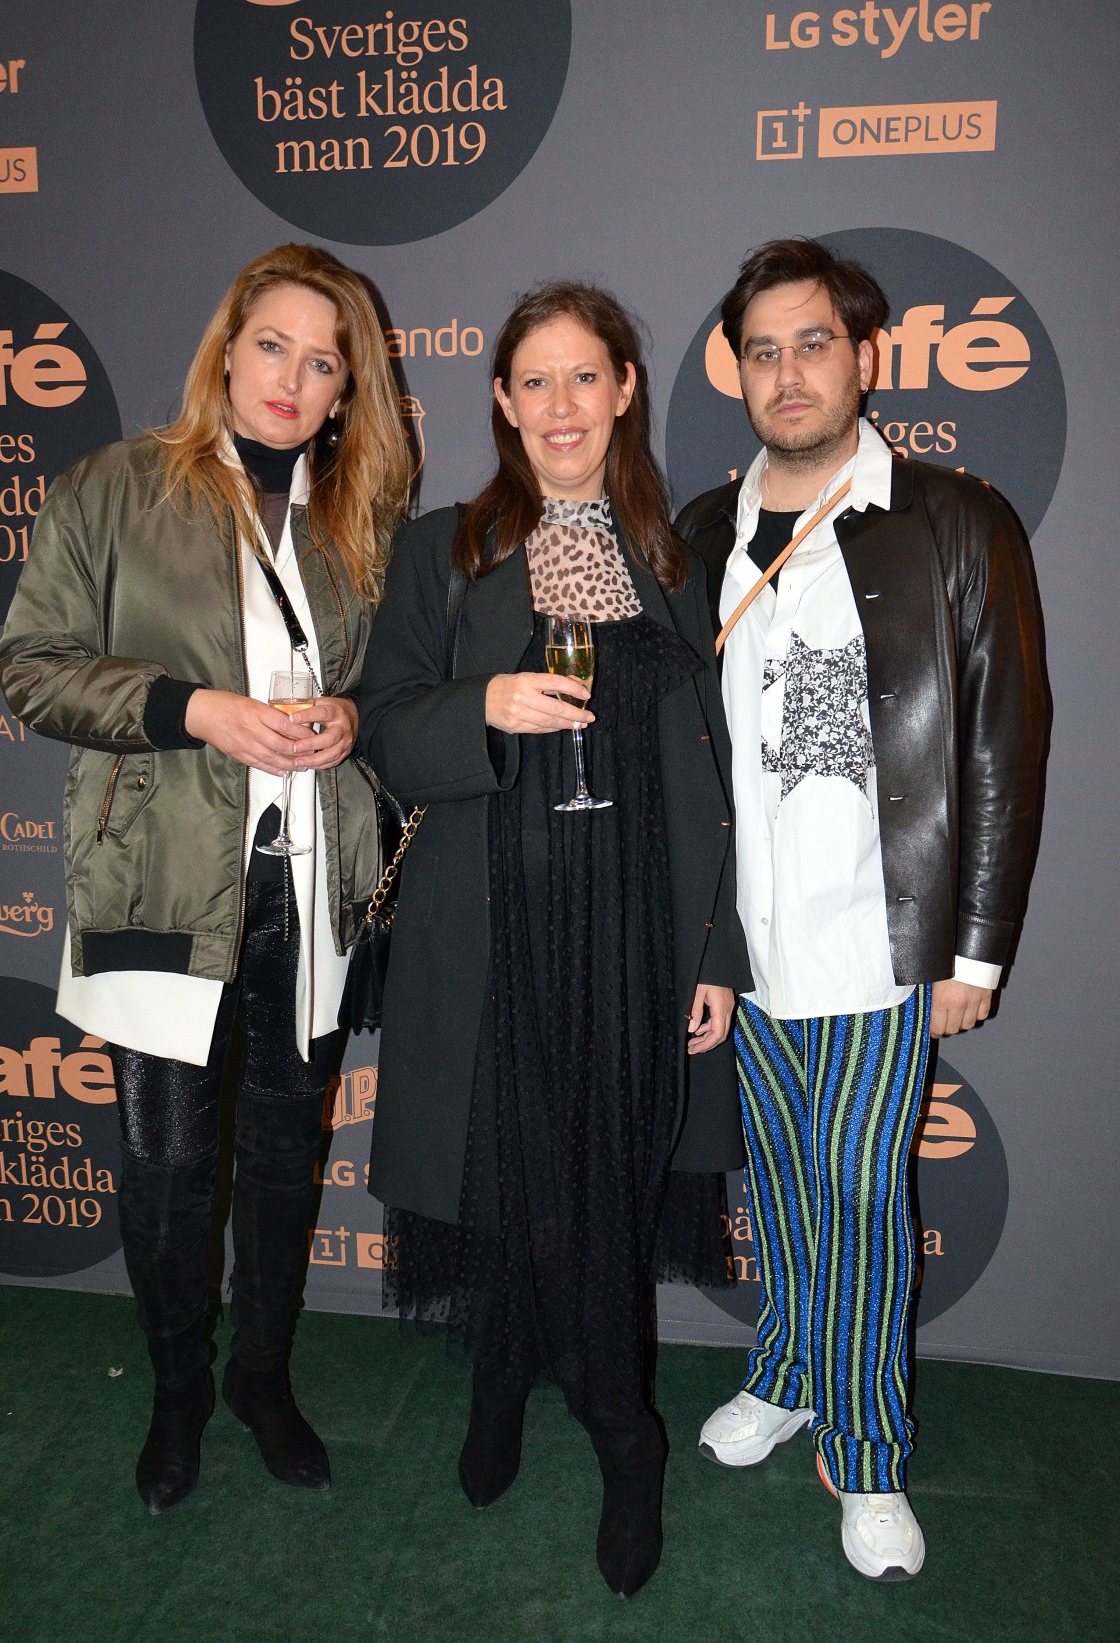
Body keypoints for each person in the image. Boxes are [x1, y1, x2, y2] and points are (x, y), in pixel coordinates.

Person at [0, 243, 412, 1514]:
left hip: (310, 883)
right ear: (226, 351)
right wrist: (195, 709)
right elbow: (30, 667)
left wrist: (353, 718)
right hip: (161, 875)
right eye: (272, 345)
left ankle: (260, 1379)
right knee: (169, 1165)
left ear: (346, 390)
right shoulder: (114, 488)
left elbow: (394, 687)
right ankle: (178, 1391)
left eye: (322, 361)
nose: (292, 378)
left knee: (285, 1153)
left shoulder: (361, 514)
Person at [358, 282, 752, 1597]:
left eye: (587, 376)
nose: (562, 404)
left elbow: (724, 774)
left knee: (606, 1183)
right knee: (513, 1177)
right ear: (502, 401)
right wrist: (484, 703)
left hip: (640, 934)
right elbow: (383, 723)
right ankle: (502, 1373)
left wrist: (715, 954)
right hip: (493, 940)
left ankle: (625, 1433)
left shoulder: (679, 558)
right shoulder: (443, 550)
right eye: (536, 380)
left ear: (626, 391)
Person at [676, 238, 1046, 1580]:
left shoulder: (952, 518)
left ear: (866, 357)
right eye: (763, 350)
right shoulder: (702, 531)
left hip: (884, 941)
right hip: (750, 944)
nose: (790, 373)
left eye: (814, 344)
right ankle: (787, 1370)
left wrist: (974, 945)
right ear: (738, 369)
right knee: (782, 1180)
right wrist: (693, 939)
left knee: (859, 1192)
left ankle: (871, 1446)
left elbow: (1004, 738)